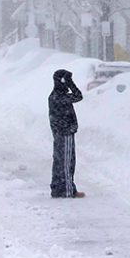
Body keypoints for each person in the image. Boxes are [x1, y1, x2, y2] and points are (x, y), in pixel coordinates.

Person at [48, 69, 85, 198]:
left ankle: (57, 189)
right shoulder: (61, 96)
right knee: (67, 162)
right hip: (65, 132)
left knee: (59, 161)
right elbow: (78, 96)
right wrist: (70, 83)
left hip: (59, 132)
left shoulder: (54, 95)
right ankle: (68, 191)